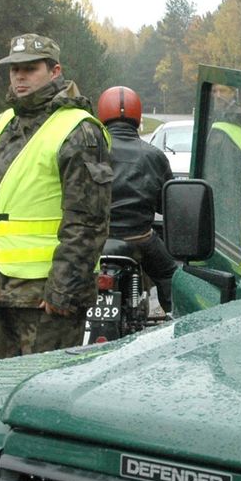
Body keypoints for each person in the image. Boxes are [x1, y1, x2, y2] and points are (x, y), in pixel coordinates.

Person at [0, 33, 112, 359]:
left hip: (46, 298)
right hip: (0, 288)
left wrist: (64, 290)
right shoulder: (0, 125)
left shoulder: (78, 130)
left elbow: (88, 221)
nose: (19, 76)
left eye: (30, 68)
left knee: (42, 397)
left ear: (55, 71)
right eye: (14, 69)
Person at [96, 85, 179, 313]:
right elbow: (166, 205)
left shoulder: (90, 150)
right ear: (138, 116)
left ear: (101, 114)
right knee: (170, 274)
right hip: (139, 238)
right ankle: (175, 322)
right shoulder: (155, 156)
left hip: (93, 240)